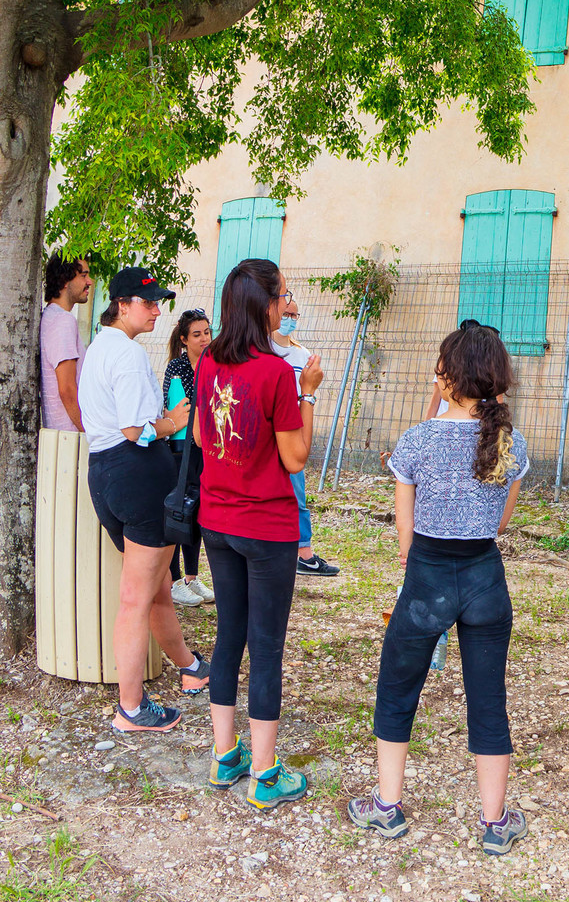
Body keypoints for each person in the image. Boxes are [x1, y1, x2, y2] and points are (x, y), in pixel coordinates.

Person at [349, 323, 529, 851]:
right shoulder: (509, 442)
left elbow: (404, 531)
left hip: (427, 577)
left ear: (447, 378)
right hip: (484, 579)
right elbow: (499, 524)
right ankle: (494, 823)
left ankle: (387, 807)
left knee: (397, 690)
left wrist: (417, 556)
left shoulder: (416, 440)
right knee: (488, 699)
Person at [196, 258, 323, 811]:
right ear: (265, 306)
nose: (288, 307)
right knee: (266, 646)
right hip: (267, 525)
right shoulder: (276, 372)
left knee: (229, 636)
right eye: (284, 298)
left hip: (216, 521)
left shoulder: (208, 365)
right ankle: (266, 776)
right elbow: (295, 458)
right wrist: (309, 393)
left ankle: (226, 758)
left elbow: (203, 437)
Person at [80, 268, 210, 735]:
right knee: (137, 597)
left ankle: (192, 667)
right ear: (123, 303)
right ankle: (131, 708)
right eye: (150, 302)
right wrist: (174, 420)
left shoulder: (97, 349)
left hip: (105, 475)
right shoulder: (129, 354)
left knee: (154, 587)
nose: (158, 310)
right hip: (137, 475)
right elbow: (138, 431)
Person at [273, 287, 339, 578]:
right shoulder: (264, 350)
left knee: (297, 491)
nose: (290, 319)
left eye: (294, 315)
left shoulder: (302, 354)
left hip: (293, 429)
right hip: (271, 431)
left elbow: (306, 395)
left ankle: (304, 551)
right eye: (286, 314)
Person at [162, 310, 213, 606]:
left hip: (206, 446)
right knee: (180, 510)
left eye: (207, 332)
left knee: (198, 513)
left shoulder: (215, 364)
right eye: (197, 334)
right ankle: (174, 579)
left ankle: (192, 578)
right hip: (182, 448)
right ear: (184, 340)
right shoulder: (177, 368)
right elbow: (183, 410)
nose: (204, 338)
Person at [40, 253, 91, 433]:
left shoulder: (50, 316)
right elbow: (67, 389)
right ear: (64, 281)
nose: (90, 282)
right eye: (83, 275)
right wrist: (90, 431)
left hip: (61, 437)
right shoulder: (63, 321)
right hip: (70, 439)